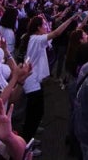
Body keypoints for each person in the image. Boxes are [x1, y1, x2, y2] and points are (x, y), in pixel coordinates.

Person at [20, 10, 80, 141]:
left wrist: (45, 21)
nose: (46, 27)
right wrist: (70, 19)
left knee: (37, 112)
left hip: (35, 80)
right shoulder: (36, 39)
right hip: (32, 81)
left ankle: (31, 132)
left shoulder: (37, 38)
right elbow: (56, 33)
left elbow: (50, 31)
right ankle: (26, 140)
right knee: (34, 113)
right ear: (38, 28)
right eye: (44, 25)